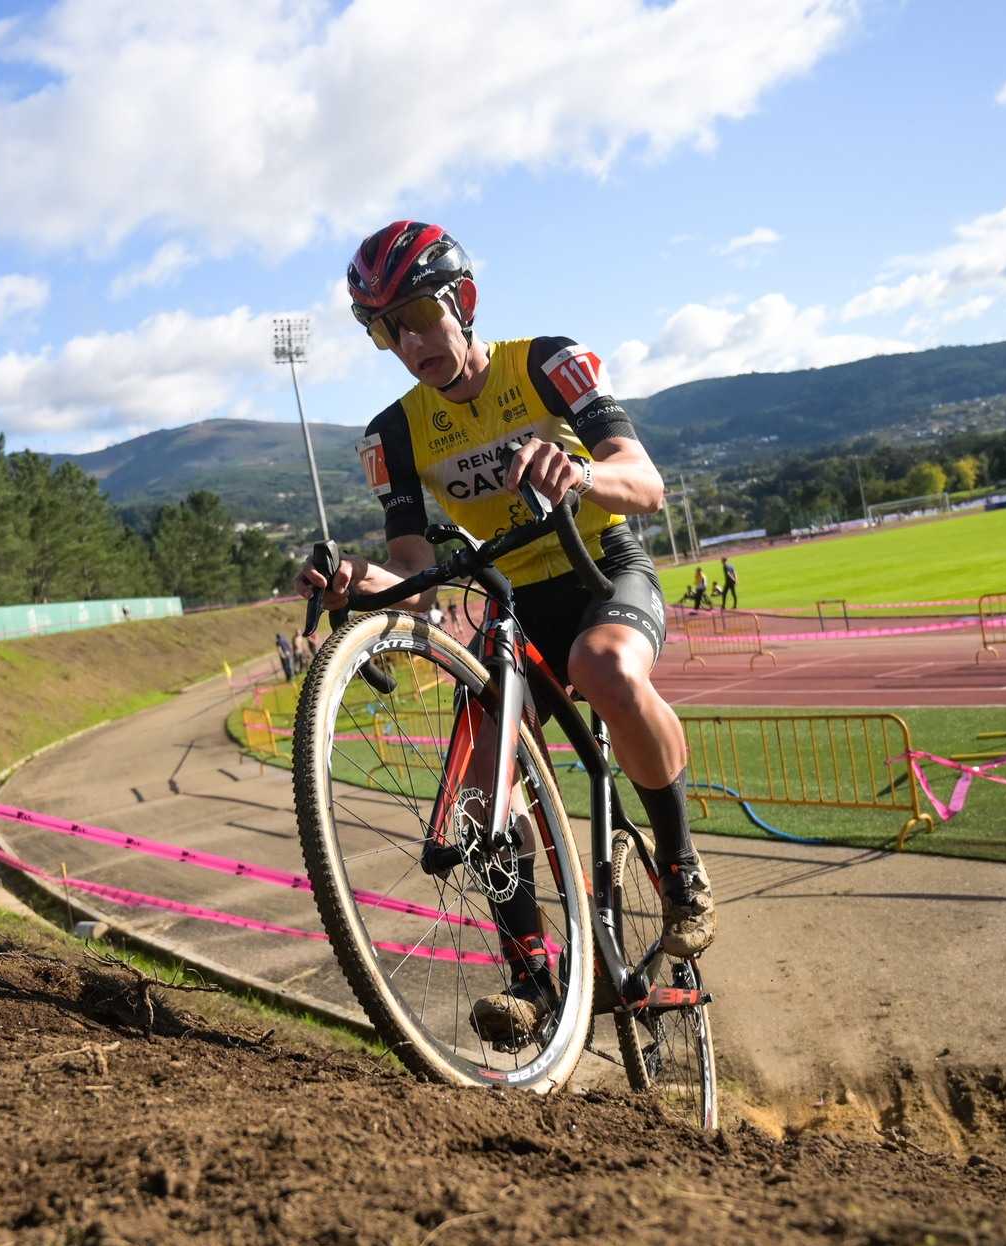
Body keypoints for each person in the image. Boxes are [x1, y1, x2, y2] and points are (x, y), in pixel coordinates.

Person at [297, 220, 713, 1047]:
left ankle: (681, 869)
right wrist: (356, 582)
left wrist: (584, 473)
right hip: (510, 603)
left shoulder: (545, 363)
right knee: (484, 784)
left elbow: (648, 483)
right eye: (386, 329)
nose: (409, 340)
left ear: (465, 301)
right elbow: (416, 582)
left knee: (604, 666)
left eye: (418, 314)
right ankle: (530, 975)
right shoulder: (395, 435)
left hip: (601, 570)